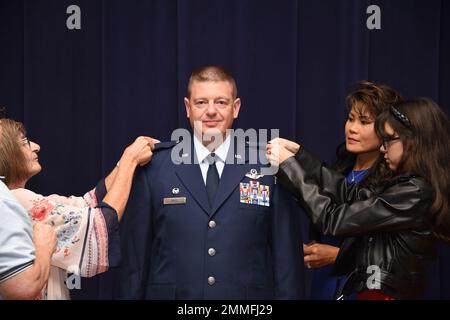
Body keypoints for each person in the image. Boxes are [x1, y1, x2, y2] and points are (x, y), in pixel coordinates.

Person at [112, 66, 304, 299]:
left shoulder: (268, 166)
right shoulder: (154, 168)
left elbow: (287, 265)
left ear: (236, 108)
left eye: (221, 102)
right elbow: (135, 263)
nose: (211, 111)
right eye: (201, 102)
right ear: (187, 108)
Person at [267, 97, 450, 299]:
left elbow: (333, 220)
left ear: (414, 141)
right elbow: (350, 194)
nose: (383, 147)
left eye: (389, 139)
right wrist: (300, 156)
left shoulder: (415, 192)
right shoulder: (406, 186)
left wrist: (289, 167)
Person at [0, 117, 158, 299]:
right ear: (7, 153)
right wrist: (130, 161)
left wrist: (125, 160)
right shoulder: (17, 199)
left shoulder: (22, 200)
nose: (36, 146)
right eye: (24, 143)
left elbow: (89, 202)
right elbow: (99, 225)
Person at [304, 81, 403, 299]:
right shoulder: (339, 170)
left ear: (387, 130)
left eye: (364, 121)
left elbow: (398, 254)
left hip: (362, 289)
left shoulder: (395, 184)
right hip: (323, 285)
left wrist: (337, 256)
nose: (353, 128)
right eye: (350, 119)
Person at [0, 171, 57, 299]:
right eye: (25, 148)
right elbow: (23, 286)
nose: (37, 149)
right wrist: (44, 246)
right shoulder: (10, 198)